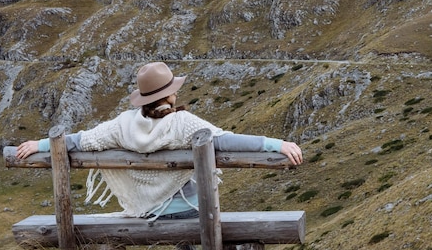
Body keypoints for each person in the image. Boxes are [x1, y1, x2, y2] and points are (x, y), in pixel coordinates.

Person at [16, 62, 303, 223]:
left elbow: (81, 140)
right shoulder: (182, 123)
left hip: (147, 210)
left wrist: (40, 145)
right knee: (208, 216)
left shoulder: (122, 124)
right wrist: (275, 144)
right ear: (170, 95)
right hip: (189, 210)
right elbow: (226, 141)